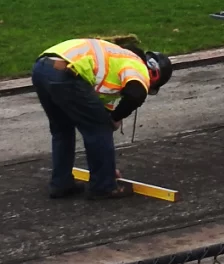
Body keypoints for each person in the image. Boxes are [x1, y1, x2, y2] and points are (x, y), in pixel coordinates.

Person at [33, 36, 172, 199]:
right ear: (154, 74)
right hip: (68, 73)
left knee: (62, 130)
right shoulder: (137, 64)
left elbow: (101, 112)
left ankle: (61, 184)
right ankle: (103, 187)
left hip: (43, 68)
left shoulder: (116, 59)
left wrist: (107, 165)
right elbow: (136, 95)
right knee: (99, 129)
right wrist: (115, 118)